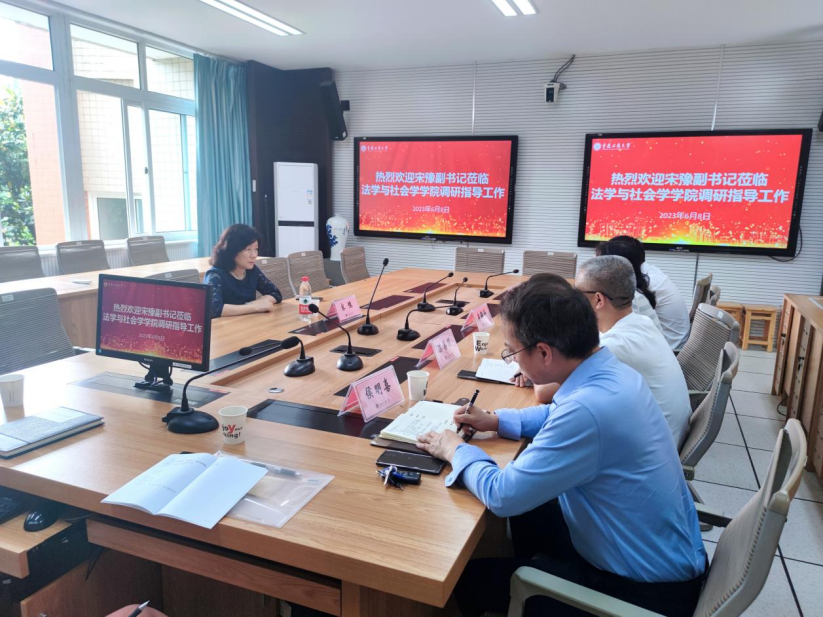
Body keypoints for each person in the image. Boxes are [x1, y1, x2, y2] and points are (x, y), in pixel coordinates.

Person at [416, 274, 706, 617]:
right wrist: (495, 420)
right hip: (654, 551)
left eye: (512, 352)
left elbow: (502, 495)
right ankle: (533, 575)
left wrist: (454, 449)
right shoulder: (611, 372)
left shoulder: (587, 411)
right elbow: (557, 413)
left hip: (642, 593)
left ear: (544, 352)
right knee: (528, 512)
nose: (512, 360)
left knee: (467, 582)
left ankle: (529, 586)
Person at [576, 255, 691, 448]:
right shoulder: (642, 322)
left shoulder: (615, 345)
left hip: (648, 450)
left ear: (598, 299)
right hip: (657, 437)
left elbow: (547, 390)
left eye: (577, 294)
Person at [599, 235, 691, 350]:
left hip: (670, 348)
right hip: (669, 343)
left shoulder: (641, 286)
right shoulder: (647, 272)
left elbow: (619, 327)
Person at [204, 224, 283, 317]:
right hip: (226, 325)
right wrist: (253, 307)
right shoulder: (215, 275)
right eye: (248, 249)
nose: (254, 255)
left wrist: (257, 303)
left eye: (256, 249)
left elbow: (275, 293)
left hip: (248, 322)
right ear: (232, 250)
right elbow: (213, 309)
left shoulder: (251, 270)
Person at [595, 237, 665, 336]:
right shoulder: (629, 290)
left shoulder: (629, 298)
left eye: (597, 263)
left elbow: (612, 335)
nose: (593, 268)